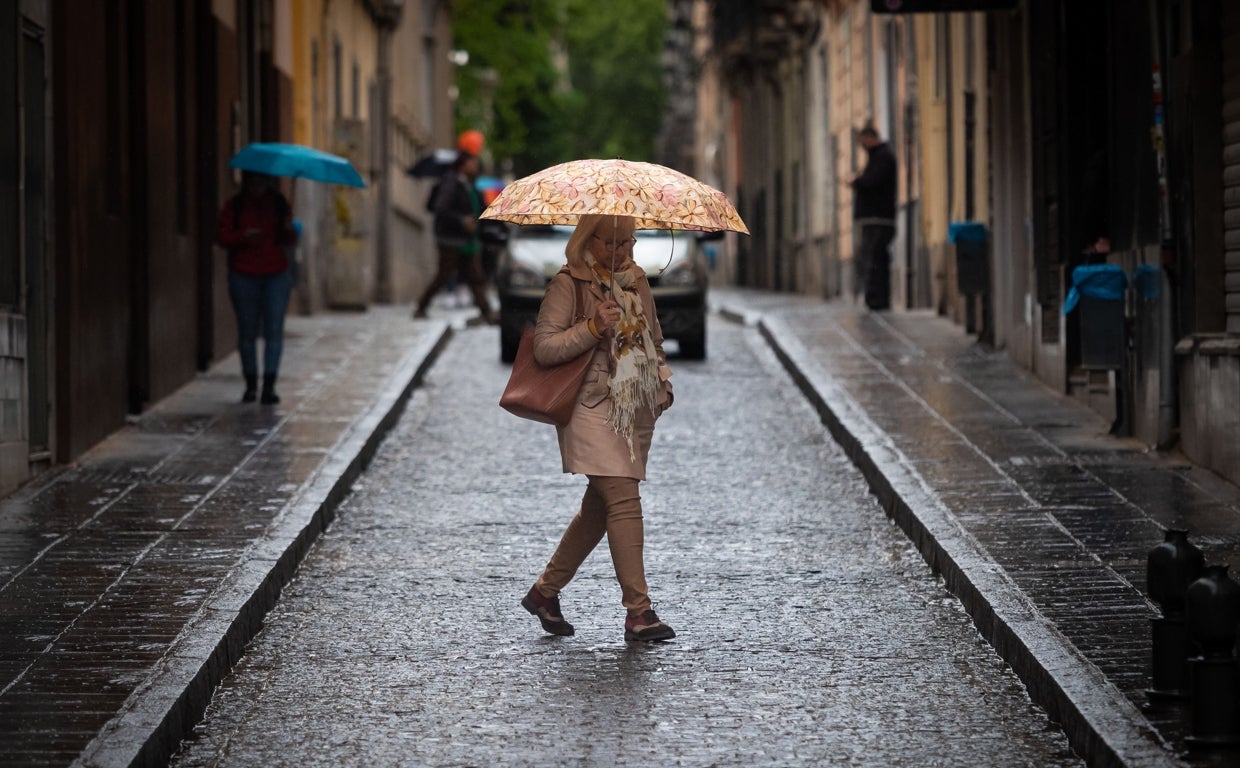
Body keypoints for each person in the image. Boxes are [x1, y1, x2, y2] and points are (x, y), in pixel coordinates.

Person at [520, 214, 677, 643]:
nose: (623, 252)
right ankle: (639, 613)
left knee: (599, 506)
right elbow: (545, 347)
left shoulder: (636, 282)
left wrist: (663, 385)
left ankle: (544, 592)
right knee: (623, 498)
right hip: (589, 405)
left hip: (634, 408)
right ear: (589, 242)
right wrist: (592, 327)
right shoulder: (568, 284)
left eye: (630, 242)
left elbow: (656, 340)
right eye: (613, 243)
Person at [216, 171, 298, 405]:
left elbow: (289, 240)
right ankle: (251, 385)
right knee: (247, 331)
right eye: (254, 180)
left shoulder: (280, 203)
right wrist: (243, 237)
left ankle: (269, 386)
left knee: (274, 329)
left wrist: (288, 227)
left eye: (262, 180)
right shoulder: (236, 205)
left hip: (276, 275)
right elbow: (222, 237)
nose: (258, 184)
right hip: (244, 274)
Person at [413, 151, 497, 323]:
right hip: (451, 239)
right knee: (443, 275)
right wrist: (462, 220)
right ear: (463, 164)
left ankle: (486, 312)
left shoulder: (467, 184)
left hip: (467, 239)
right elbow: (441, 208)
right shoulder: (451, 182)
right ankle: (421, 306)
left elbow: (476, 206)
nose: (475, 166)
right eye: (472, 162)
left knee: (475, 276)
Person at [850, 124, 897, 311]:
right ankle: (877, 299)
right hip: (877, 217)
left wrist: (857, 181)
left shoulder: (882, 157)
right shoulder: (879, 157)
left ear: (870, 138)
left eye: (863, 142)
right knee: (877, 258)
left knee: (875, 259)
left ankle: (877, 300)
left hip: (878, 218)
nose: (862, 146)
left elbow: (873, 181)